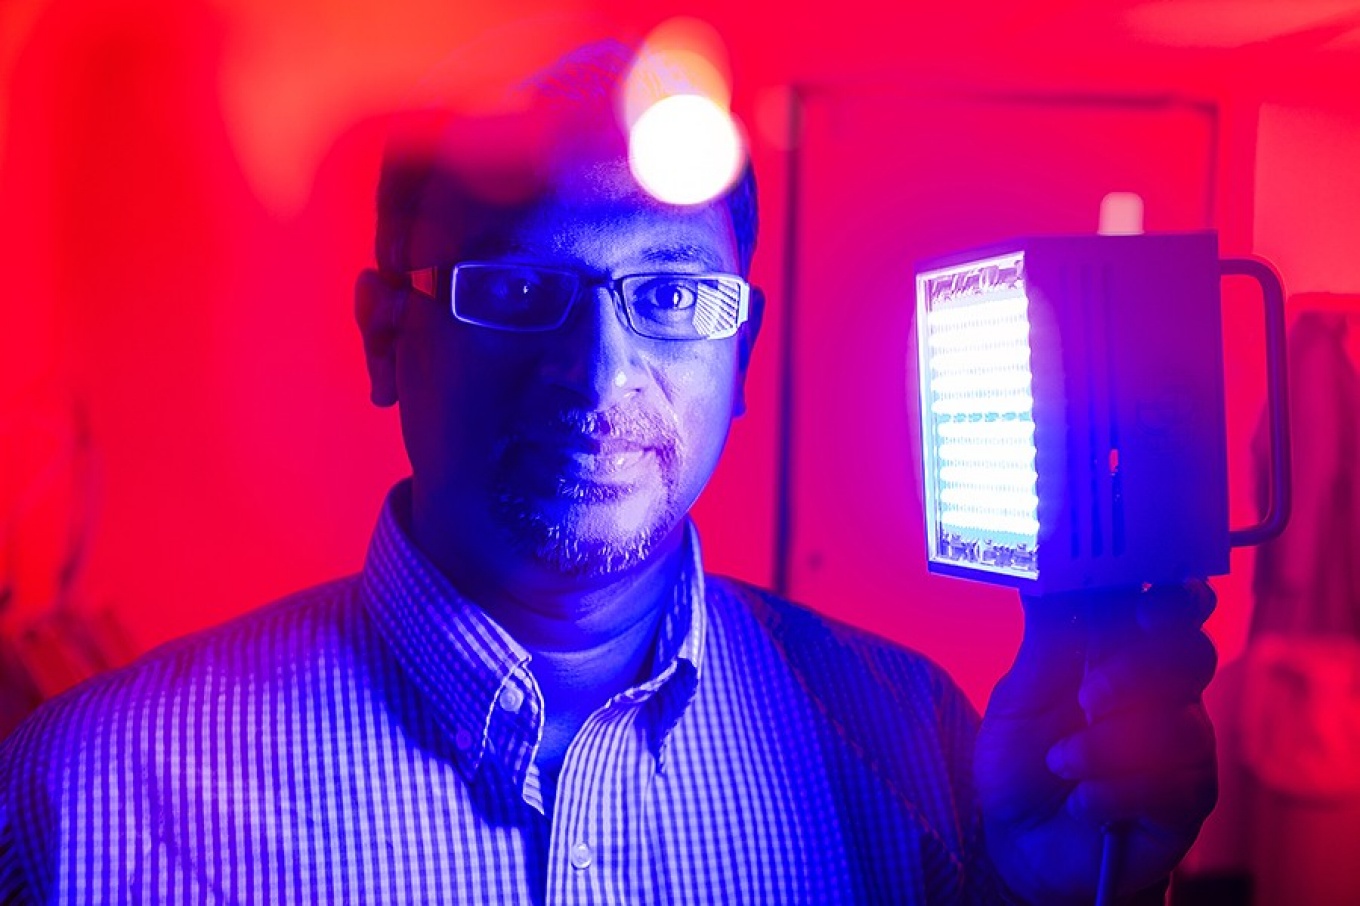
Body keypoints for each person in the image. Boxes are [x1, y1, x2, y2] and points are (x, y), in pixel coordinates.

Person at [0, 38, 1217, 905]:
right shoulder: (88, 803)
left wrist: (1057, 895)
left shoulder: (923, 754)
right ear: (386, 333)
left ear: (740, 347)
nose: (595, 377)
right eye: (518, 290)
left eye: (672, 293)